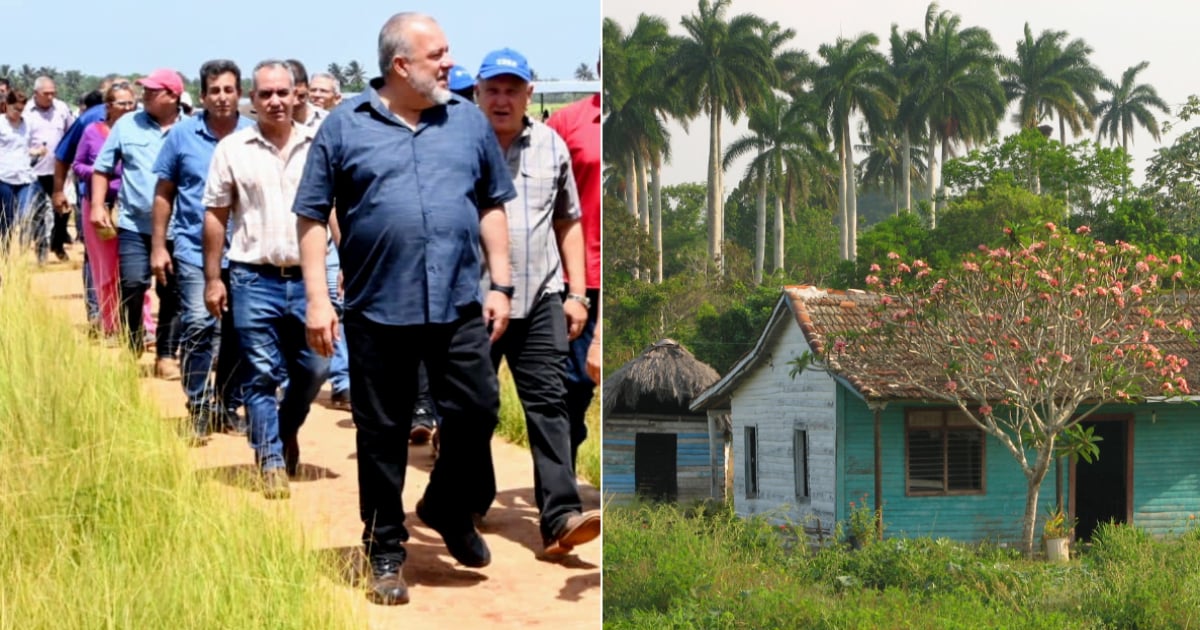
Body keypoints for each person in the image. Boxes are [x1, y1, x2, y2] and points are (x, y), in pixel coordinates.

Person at [295, 12, 514, 606]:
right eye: (437, 54)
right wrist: (318, 298)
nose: (448, 63)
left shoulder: (466, 122)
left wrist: (502, 284)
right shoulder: (344, 127)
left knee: (477, 412)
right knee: (383, 434)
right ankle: (385, 550)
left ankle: (444, 504)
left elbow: (492, 203)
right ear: (400, 65)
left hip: (460, 304)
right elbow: (312, 216)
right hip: (377, 309)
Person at [472, 47, 600, 556]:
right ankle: (471, 497)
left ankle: (561, 515)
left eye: (513, 90)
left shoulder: (550, 145)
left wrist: (577, 293)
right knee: (474, 407)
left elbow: (569, 221)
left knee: (550, 404)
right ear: (478, 93)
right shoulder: (459, 145)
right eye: (493, 90)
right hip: (474, 301)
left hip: (543, 294)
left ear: (529, 94)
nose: (503, 100)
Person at [203, 60, 329, 499]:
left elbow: (335, 208)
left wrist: (347, 262)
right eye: (265, 94)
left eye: (282, 92)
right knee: (260, 374)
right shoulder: (233, 150)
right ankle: (270, 459)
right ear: (251, 101)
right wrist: (213, 277)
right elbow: (216, 215)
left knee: (316, 367)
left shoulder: (321, 144)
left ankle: (284, 427)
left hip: (309, 280)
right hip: (253, 278)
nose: (275, 101)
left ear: (297, 95)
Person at [152, 60, 254, 441]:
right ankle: (197, 405)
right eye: (215, 91)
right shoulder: (182, 136)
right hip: (194, 250)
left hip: (245, 253)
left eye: (229, 90)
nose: (223, 97)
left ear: (239, 94)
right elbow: (164, 193)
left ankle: (226, 405)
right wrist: (159, 246)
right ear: (203, 95)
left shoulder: (253, 135)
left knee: (239, 333)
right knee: (199, 324)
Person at [91, 69, 184, 371]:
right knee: (132, 284)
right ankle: (133, 340)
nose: (143, 96)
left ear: (172, 95)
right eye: (143, 89)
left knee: (172, 291)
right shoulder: (127, 125)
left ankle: (167, 354)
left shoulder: (191, 129)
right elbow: (102, 168)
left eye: (151, 91)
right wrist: (97, 205)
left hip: (180, 227)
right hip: (134, 224)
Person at [546, 59, 603, 468]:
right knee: (571, 381)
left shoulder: (641, 128)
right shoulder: (567, 123)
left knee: (584, 383)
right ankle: (559, 484)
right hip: (573, 274)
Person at [73, 83, 144, 338]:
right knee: (105, 267)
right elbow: (77, 165)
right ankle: (112, 324)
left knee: (136, 270)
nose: (127, 108)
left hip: (133, 206)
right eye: (121, 103)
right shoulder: (93, 131)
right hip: (99, 206)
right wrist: (100, 171)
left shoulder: (141, 131)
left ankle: (142, 325)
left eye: (130, 103)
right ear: (108, 106)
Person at [24, 76, 75, 263]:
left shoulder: (61, 108)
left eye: (53, 92)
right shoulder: (26, 112)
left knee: (63, 209)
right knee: (37, 212)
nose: (50, 96)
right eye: (46, 93)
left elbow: (72, 133)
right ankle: (41, 251)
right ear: (36, 93)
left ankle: (58, 242)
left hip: (59, 170)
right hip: (34, 171)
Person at [0, 90, 37, 249]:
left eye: (21, 109)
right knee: (6, 219)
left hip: (24, 176)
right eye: (15, 108)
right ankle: (5, 252)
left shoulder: (27, 125)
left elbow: (25, 147)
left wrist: (36, 151)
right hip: (4, 176)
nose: (18, 113)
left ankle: (23, 249)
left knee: (26, 215)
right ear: (6, 105)